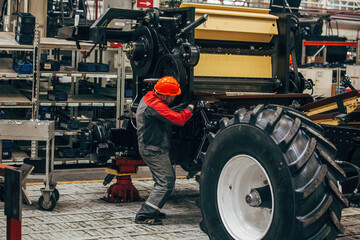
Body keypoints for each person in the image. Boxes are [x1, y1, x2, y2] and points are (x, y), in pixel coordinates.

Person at [135, 76, 196, 225]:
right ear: (163, 95)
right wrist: (191, 107)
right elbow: (180, 119)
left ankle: (153, 209)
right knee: (166, 182)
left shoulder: (150, 97)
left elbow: (165, 112)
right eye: (171, 97)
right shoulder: (154, 104)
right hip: (153, 149)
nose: (173, 99)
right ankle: (144, 215)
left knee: (162, 181)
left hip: (153, 147)